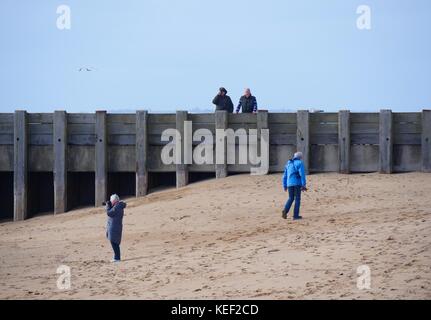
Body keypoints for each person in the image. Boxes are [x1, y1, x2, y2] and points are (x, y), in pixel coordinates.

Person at [282, 152, 307, 220]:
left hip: (289, 183)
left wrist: (284, 185)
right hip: (297, 183)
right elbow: (302, 175)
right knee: (297, 199)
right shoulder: (299, 163)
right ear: (300, 157)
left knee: (291, 198)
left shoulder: (288, 163)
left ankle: (285, 211)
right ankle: (295, 216)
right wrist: (304, 184)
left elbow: (284, 176)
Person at [105, 194, 127, 262]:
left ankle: (117, 258)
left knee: (114, 242)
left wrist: (108, 206)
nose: (111, 202)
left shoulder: (117, 207)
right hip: (116, 226)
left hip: (114, 227)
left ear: (114, 201)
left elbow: (109, 213)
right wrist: (110, 205)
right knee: (114, 242)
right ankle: (116, 257)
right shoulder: (118, 206)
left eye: (111, 201)